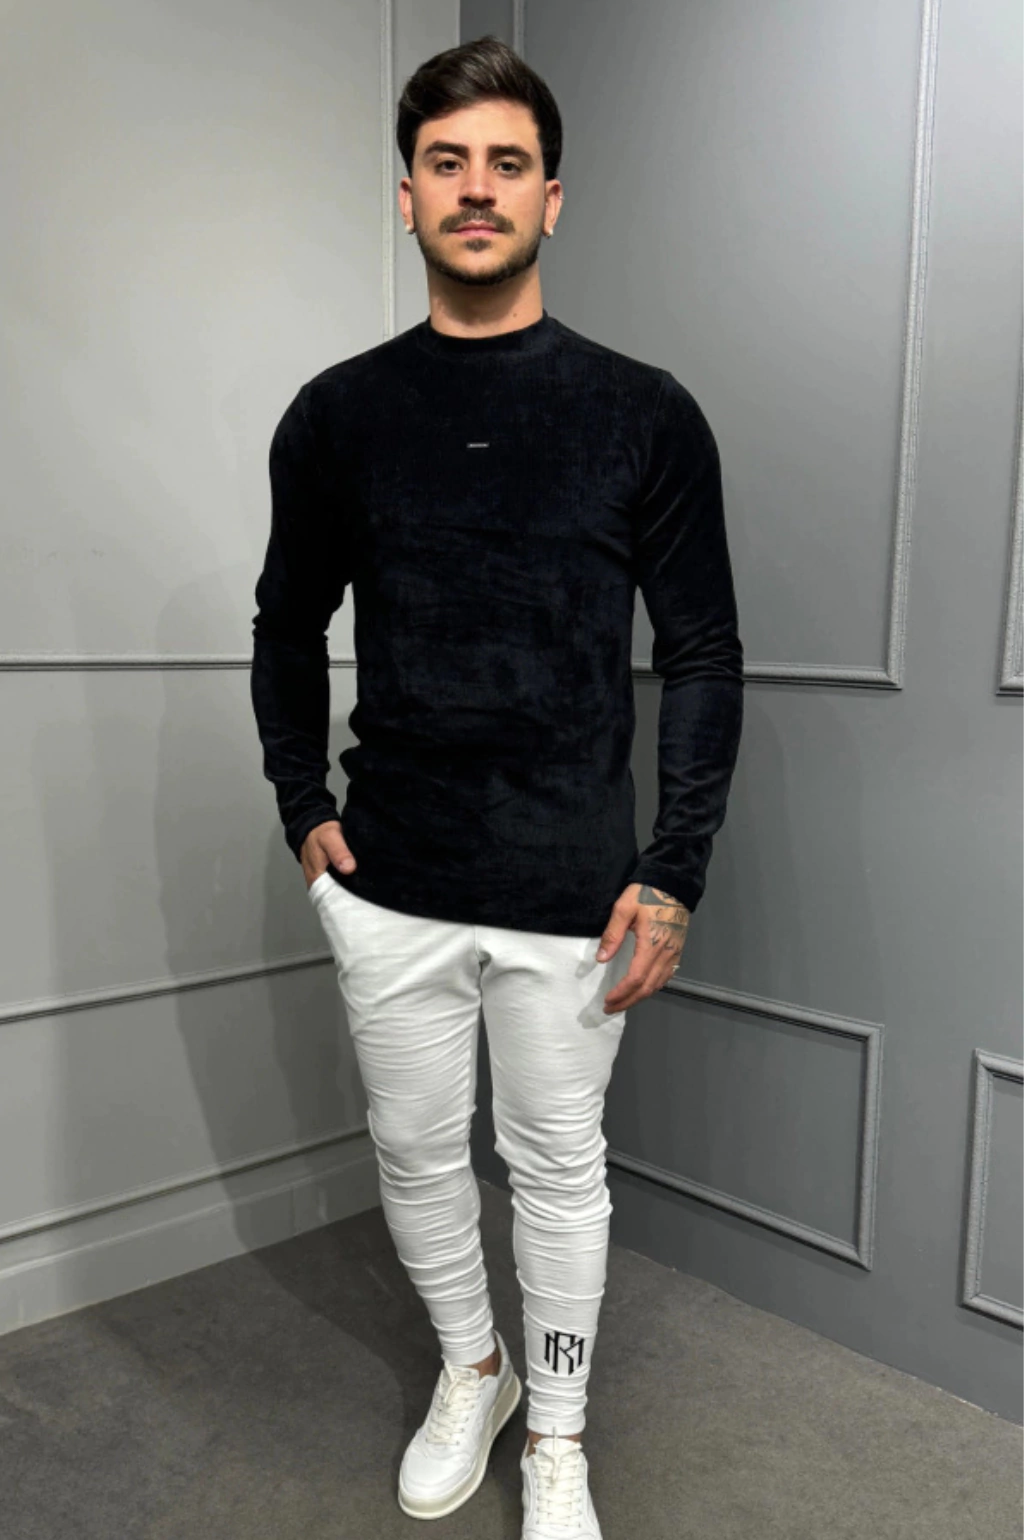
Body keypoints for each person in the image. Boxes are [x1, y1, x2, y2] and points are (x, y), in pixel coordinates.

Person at [250, 33, 744, 1540]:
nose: (478, 188)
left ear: (552, 199)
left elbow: (705, 651)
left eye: (507, 164)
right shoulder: (335, 414)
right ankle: (474, 1370)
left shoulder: (643, 412)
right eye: (448, 162)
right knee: (413, 1155)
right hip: (387, 879)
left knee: (555, 1172)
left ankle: (561, 1441)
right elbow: (285, 623)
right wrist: (302, 806)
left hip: (572, 889)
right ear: (406, 197)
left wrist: (675, 868)